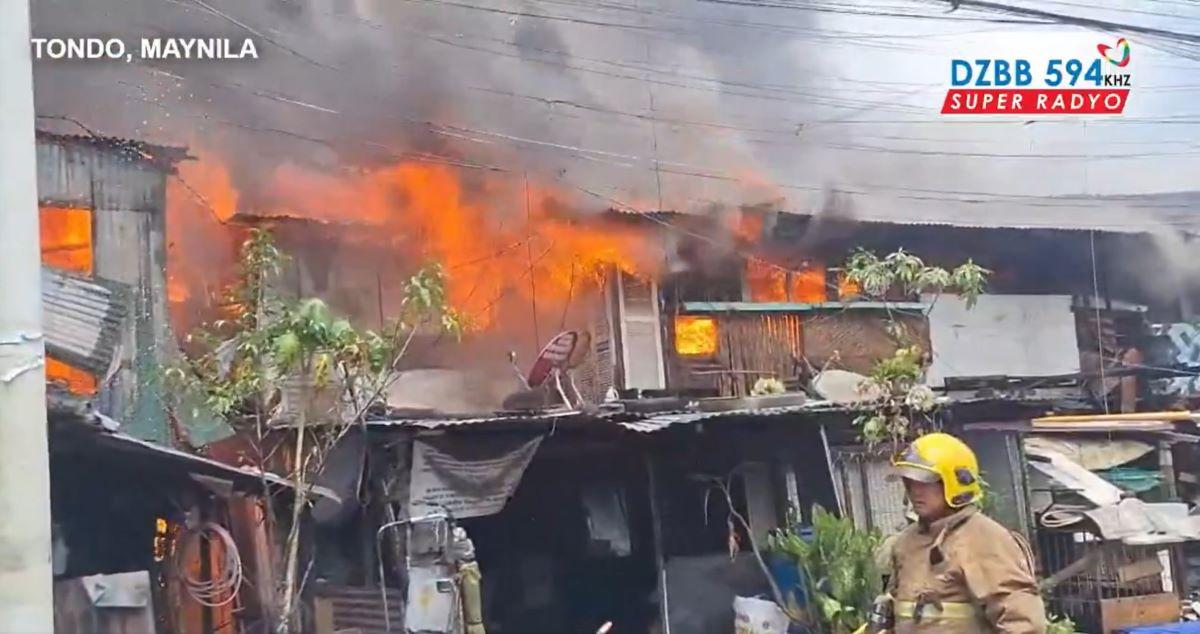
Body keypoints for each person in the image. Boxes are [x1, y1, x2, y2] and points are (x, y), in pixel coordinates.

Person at [881, 432, 1046, 633]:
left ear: (955, 482)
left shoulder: (984, 538)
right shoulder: (907, 542)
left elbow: (1022, 622)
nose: (915, 491)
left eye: (925, 482)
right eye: (910, 481)